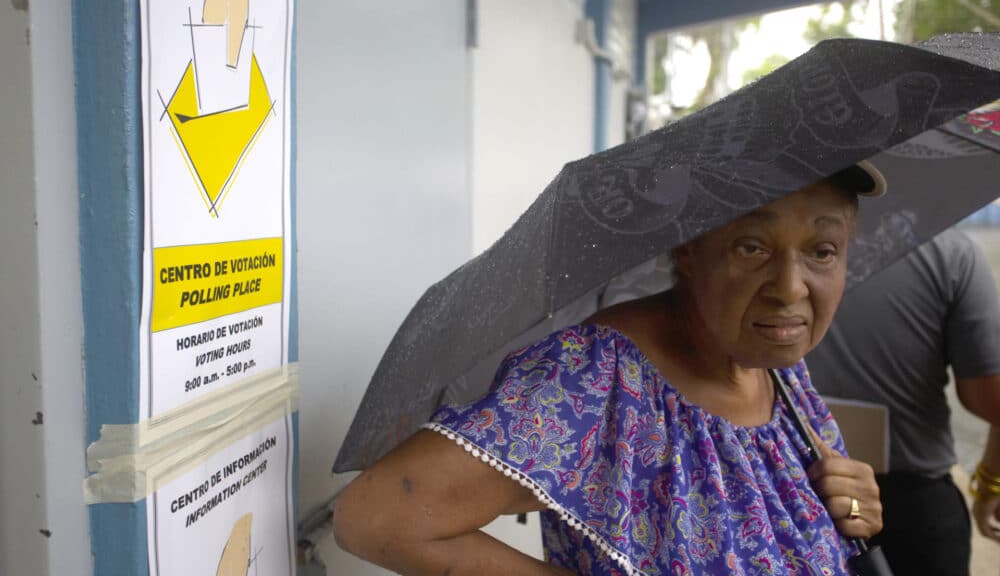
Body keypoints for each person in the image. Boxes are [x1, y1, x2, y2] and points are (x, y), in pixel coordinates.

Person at [332, 167, 886, 575]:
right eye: (751, 246)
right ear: (689, 249)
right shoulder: (598, 378)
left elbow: (821, 518)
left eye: (822, 251)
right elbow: (378, 518)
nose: (790, 287)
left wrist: (855, 505)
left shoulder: (778, 369)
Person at [806, 228, 1000, 575]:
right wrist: (991, 481)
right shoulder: (950, 251)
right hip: (915, 504)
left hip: (798, 493)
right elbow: (991, 400)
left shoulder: (772, 255)